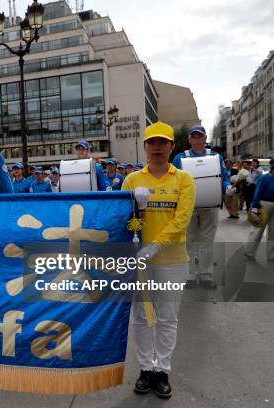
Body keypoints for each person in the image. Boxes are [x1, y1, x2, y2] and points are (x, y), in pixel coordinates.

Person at [122, 121, 196, 399]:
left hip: (172, 260)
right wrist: (137, 214)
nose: (157, 147)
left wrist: (154, 246)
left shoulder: (184, 180)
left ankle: (162, 370)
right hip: (140, 261)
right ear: (144, 146)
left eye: (162, 142)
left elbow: (182, 221)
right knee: (141, 318)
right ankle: (145, 369)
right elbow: (125, 224)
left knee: (167, 318)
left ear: (172, 147)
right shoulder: (132, 181)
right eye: (152, 142)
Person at [171, 125, 233, 289]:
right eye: (194, 137)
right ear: (189, 139)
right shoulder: (179, 159)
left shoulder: (216, 157)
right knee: (189, 241)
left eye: (200, 137)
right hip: (188, 206)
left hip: (210, 205)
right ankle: (190, 275)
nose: (197, 140)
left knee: (207, 241)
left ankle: (206, 276)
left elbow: (224, 177)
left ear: (205, 139)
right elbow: (173, 182)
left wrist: (227, 187)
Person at [245, 157, 274, 261]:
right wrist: (254, 207)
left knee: (273, 232)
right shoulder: (264, 178)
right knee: (257, 230)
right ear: (272, 165)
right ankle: (249, 252)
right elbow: (257, 193)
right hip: (264, 204)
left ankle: (271, 255)